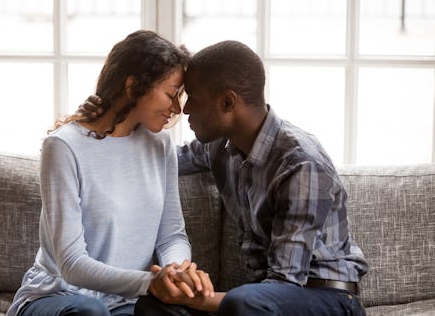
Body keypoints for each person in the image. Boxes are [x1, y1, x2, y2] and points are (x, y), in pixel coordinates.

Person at [79, 40, 369, 315]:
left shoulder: (300, 163)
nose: (185, 108)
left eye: (193, 98)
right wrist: (96, 133)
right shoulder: (219, 145)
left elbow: (284, 283)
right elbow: (157, 162)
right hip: (258, 299)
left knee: (244, 302)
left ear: (228, 102)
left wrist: (192, 296)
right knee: (151, 307)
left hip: (327, 298)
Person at [6, 30, 213, 316]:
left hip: (125, 304)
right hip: (60, 296)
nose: (176, 107)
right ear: (132, 86)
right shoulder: (64, 146)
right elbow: (71, 263)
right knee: (91, 313)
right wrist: (150, 283)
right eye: (170, 94)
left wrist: (175, 273)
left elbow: (171, 236)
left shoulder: (160, 145)